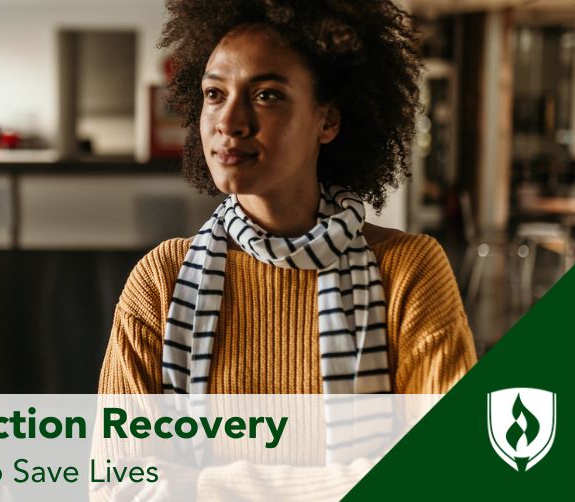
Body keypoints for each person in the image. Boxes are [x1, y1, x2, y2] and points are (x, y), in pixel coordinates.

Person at [98, 0, 477, 397]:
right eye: (214, 93)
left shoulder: (408, 273)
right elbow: (121, 460)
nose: (229, 121)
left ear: (327, 121)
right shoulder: (160, 282)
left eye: (266, 95)